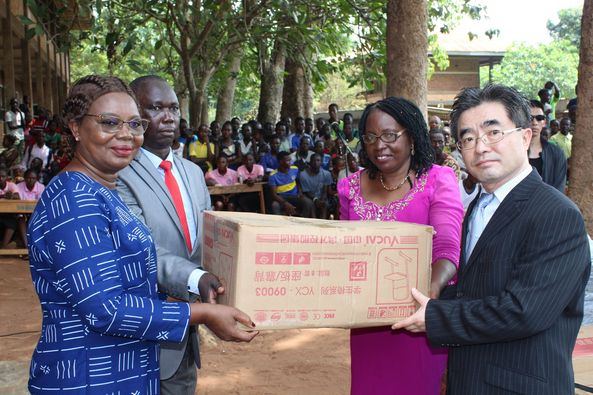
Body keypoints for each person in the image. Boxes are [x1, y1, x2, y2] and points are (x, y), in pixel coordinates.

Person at [27, 75, 257, 394]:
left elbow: (128, 284)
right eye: (109, 122)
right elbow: (104, 307)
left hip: (125, 369)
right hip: (90, 377)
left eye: (135, 124)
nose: (125, 134)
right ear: (76, 127)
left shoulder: (100, 191)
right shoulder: (75, 200)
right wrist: (202, 312)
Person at [393, 84, 590, 395]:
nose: (480, 147)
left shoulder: (556, 214)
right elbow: (477, 289)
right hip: (472, 379)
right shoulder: (478, 208)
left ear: (525, 136)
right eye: (468, 138)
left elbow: (524, 310)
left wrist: (433, 315)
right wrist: (406, 296)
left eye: (493, 133)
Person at [117, 75, 257, 394]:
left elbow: (207, 246)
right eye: (155, 108)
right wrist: (197, 279)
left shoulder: (193, 174)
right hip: (138, 335)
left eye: (174, 108)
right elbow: (142, 251)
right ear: (134, 114)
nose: (168, 117)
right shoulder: (119, 174)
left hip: (184, 335)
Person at [338, 96, 463, 394]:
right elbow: (341, 252)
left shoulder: (438, 180)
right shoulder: (350, 187)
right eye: (370, 137)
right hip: (368, 326)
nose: (379, 145)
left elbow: (447, 246)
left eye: (390, 135)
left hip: (420, 321)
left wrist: (428, 294)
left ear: (412, 136)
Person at [528, 100, 566, 192]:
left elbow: (559, 189)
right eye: (530, 118)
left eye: (539, 118)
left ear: (544, 122)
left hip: (547, 204)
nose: (535, 122)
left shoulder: (557, 153)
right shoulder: (512, 152)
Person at [269, 151, 314, 217]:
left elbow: (298, 182)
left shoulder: (295, 169)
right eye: (288, 161)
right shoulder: (273, 175)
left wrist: (300, 192)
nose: (291, 162)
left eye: (290, 160)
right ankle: (279, 225)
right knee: (275, 205)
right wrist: (285, 203)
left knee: (308, 202)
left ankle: (302, 221)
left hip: (294, 196)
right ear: (281, 162)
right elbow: (274, 195)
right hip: (281, 197)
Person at [299, 153, 333, 218]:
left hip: (321, 197)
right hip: (309, 197)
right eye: (314, 160)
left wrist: (322, 200)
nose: (315, 162)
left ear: (321, 162)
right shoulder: (303, 174)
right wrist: (316, 200)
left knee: (324, 204)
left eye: (318, 160)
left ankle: (323, 224)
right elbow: (306, 192)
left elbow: (325, 191)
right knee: (311, 204)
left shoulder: (326, 174)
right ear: (310, 162)